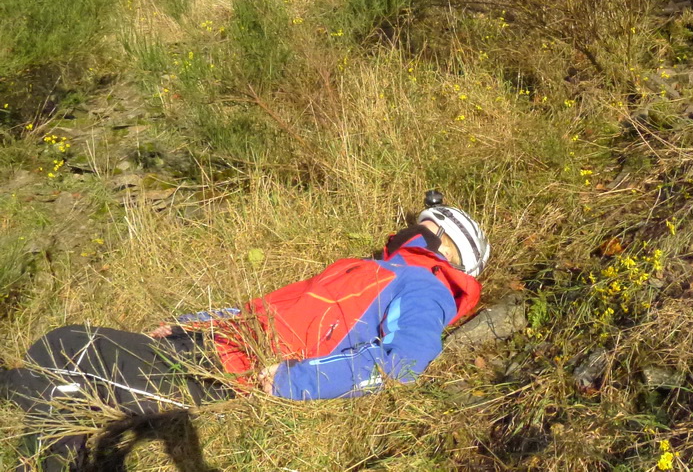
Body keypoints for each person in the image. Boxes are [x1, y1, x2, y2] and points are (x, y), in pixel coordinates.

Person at [0, 193, 489, 472]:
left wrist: (290, 380)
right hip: (211, 343)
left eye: (424, 225)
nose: (410, 229)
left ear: (449, 246)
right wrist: (192, 322)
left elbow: (405, 361)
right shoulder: (370, 268)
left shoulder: (426, 287)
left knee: (75, 364)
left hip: (229, 372)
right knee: (65, 347)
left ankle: (37, 440)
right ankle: (30, 401)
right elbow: (263, 311)